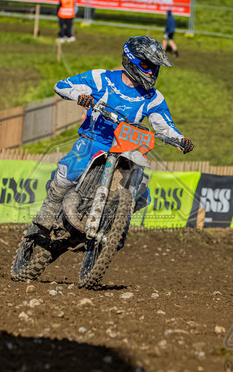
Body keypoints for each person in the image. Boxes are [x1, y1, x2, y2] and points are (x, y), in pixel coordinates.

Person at [32, 36, 194, 230]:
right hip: (95, 139)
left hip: (126, 148)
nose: (151, 71)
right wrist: (80, 96)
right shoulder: (102, 78)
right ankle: (50, 207)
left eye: (155, 67)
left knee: (142, 195)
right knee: (72, 167)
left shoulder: (154, 98)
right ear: (131, 60)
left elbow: (164, 127)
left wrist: (180, 140)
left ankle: (111, 228)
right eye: (146, 65)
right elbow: (62, 85)